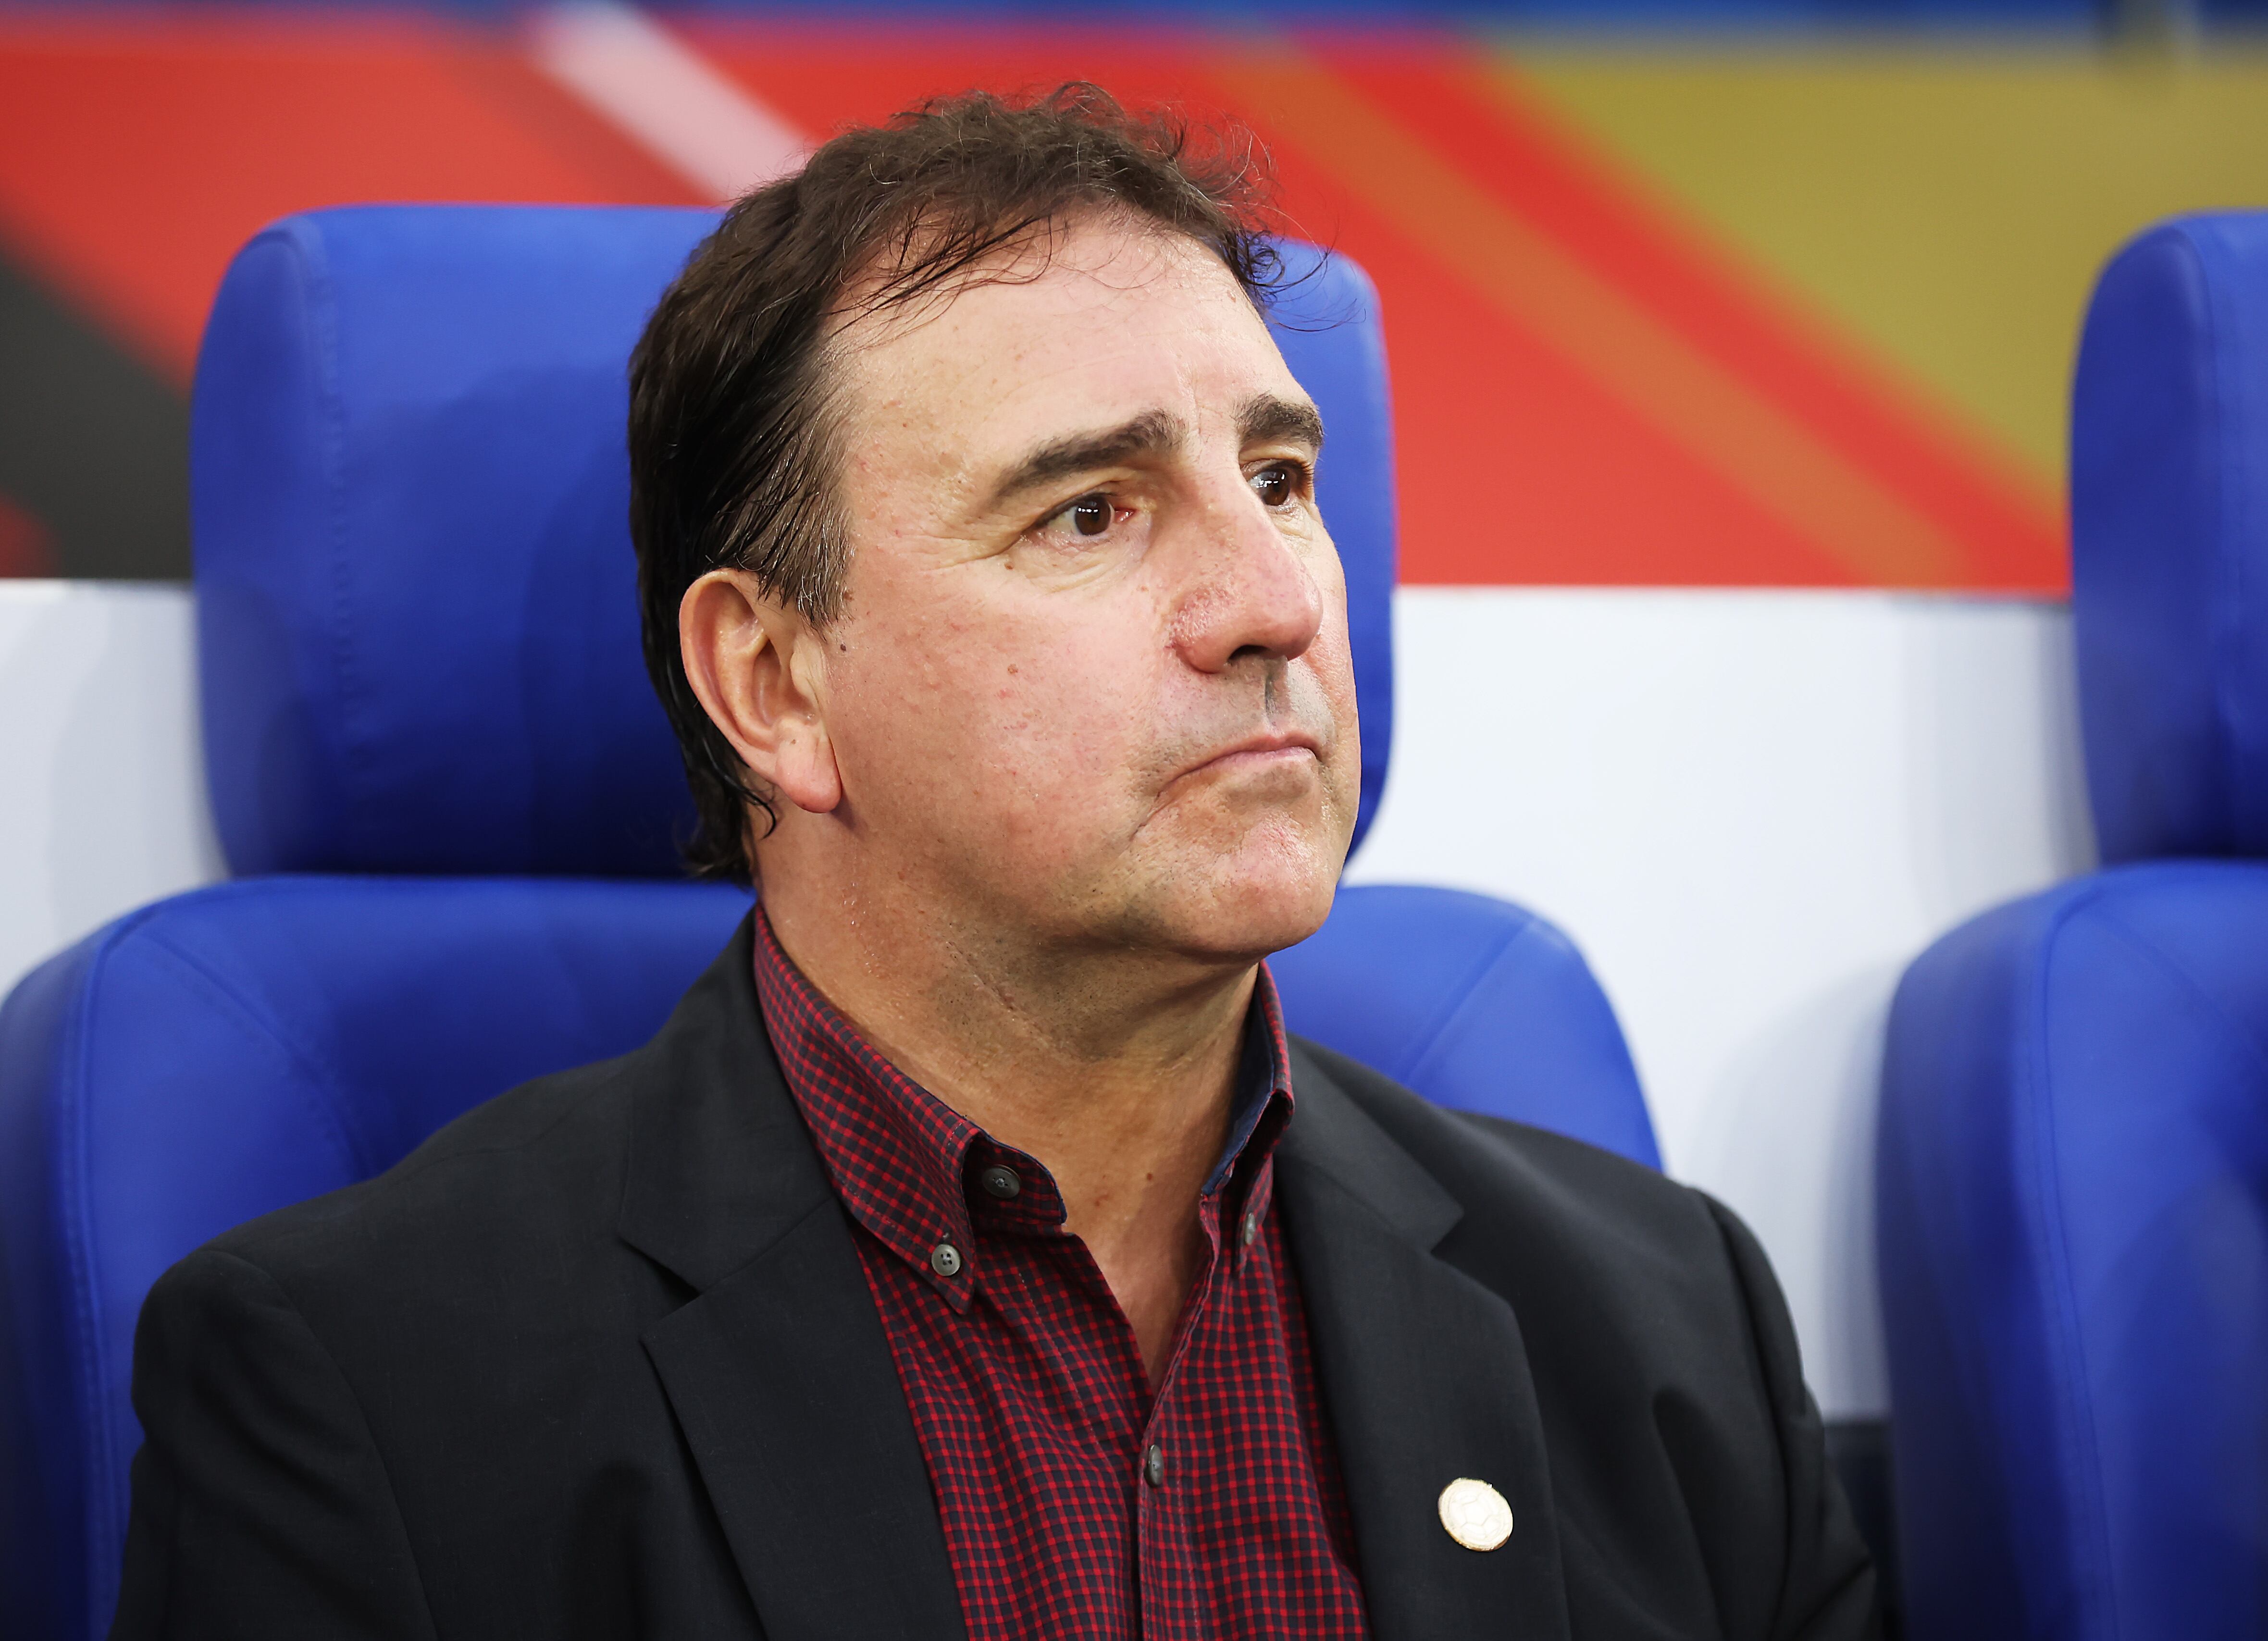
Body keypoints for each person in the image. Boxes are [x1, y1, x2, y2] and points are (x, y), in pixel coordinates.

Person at [110, 86, 1880, 1641]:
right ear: (780, 684)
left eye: (1279, 478)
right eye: (1091, 510)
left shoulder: (1667, 1330)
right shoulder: (367, 1396)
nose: (1274, 603)